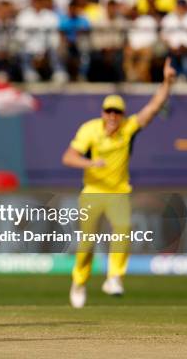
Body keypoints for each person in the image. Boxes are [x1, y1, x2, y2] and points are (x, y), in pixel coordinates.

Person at [61, 58, 176, 308]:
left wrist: (166, 83)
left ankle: (114, 277)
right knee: (86, 243)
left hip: (119, 191)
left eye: (117, 112)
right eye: (109, 111)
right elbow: (68, 157)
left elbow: (153, 107)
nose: (113, 117)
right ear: (102, 113)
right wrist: (90, 164)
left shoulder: (128, 128)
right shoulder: (90, 130)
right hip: (92, 191)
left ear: (122, 114)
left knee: (123, 230)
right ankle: (79, 282)